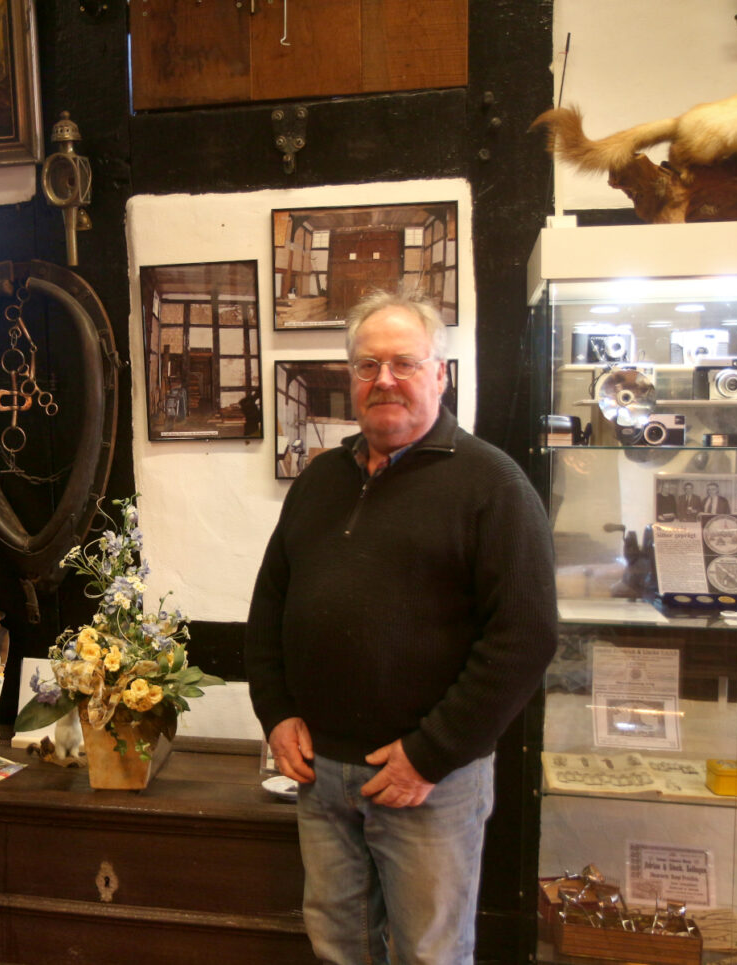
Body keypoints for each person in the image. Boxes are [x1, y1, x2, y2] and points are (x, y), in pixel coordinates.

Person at [245, 289, 558, 965]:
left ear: (440, 373)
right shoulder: (319, 480)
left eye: (404, 363)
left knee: (429, 955)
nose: (384, 378)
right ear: (351, 376)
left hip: (429, 784)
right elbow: (269, 606)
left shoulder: (493, 486)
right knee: (338, 946)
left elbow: (525, 640)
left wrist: (430, 753)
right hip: (321, 773)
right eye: (367, 365)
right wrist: (276, 711)